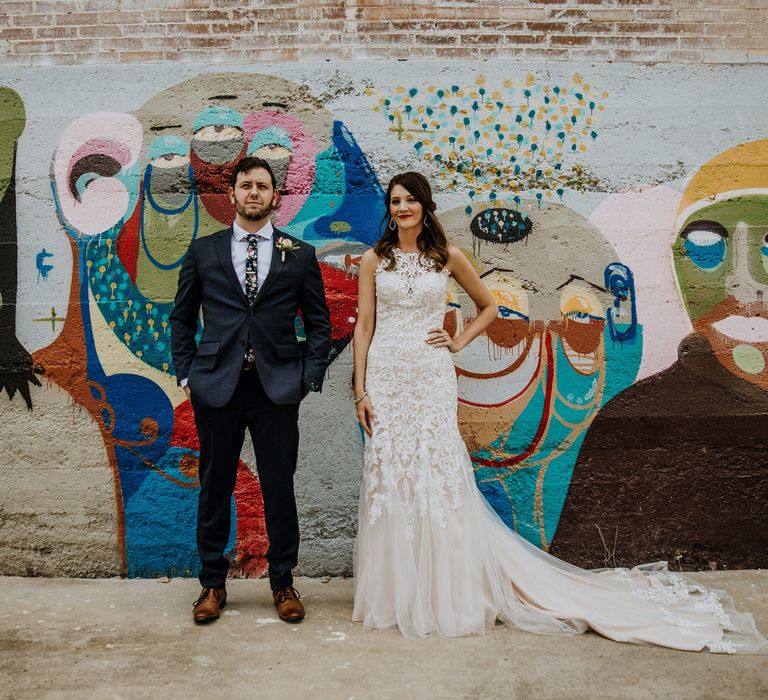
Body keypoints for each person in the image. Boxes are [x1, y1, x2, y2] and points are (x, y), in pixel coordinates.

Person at [350, 171, 768, 653]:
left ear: (424, 205)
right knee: (389, 475)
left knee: (436, 473)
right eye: (395, 201)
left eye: (410, 200)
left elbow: (487, 306)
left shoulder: (447, 257)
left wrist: (457, 341)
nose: (402, 208)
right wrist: (362, 390)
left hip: (429, 376)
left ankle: (443, 592)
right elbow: (364, 326)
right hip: (385, 376)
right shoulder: (373, 260)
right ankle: (398, 590)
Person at [170, 156, 331, 624]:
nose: (254, 193)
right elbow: (181, 319)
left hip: (277, 390)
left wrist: (308, 378)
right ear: (233, 195)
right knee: (214, 485)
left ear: (275, 196)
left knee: (278, 486)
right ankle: (211, 585)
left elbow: (319, 324)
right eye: (246, 186)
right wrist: (188, 374)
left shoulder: (298, 254)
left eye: (263, 186)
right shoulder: (205, 252)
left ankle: (283, 582)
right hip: (216, 387)